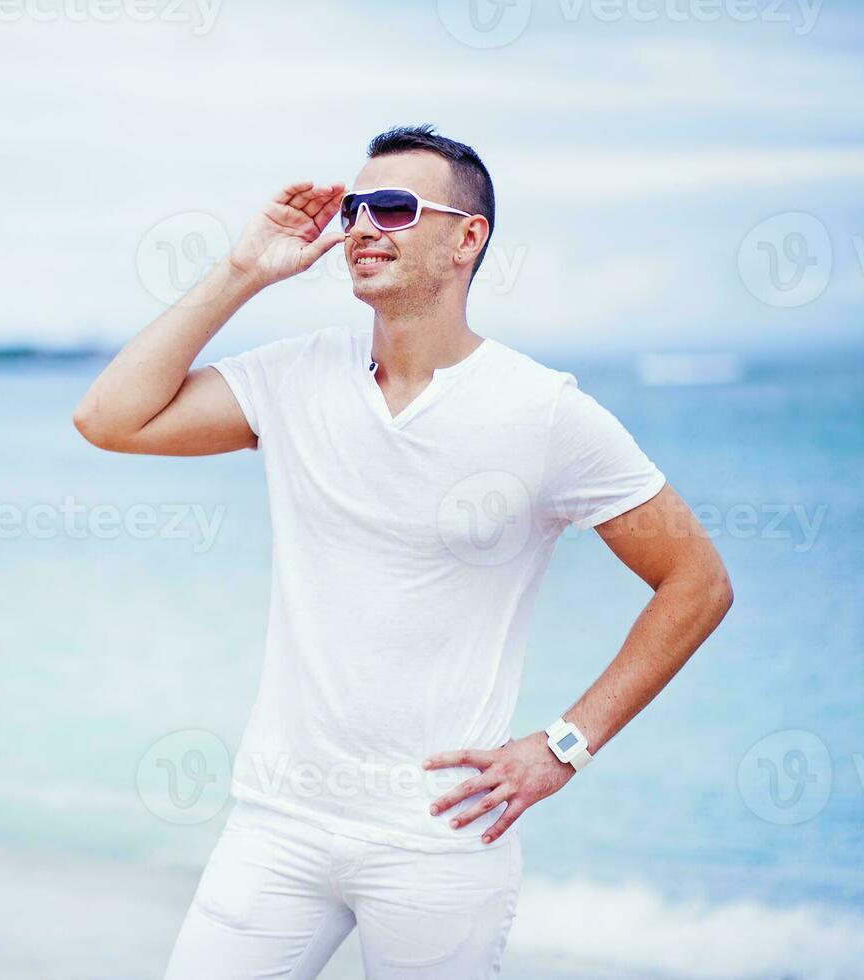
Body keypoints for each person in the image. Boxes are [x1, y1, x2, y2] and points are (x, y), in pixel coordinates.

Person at [72, 124, 733, 979]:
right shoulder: (294, 376)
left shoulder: (544, 413)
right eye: (354, 208)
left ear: (467, 238)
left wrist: (565, 745)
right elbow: (109, 418)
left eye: (392, 207)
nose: (360, 227)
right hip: (278, 821)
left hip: (440, 836)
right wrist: (244, 272)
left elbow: (696, 581)